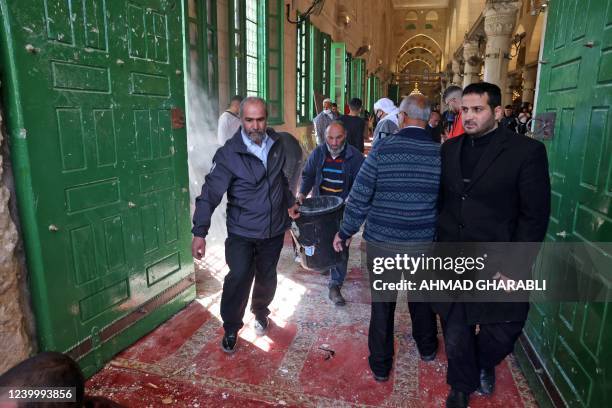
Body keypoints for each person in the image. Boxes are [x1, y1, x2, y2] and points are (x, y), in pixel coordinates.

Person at [435, 82, 550, 408]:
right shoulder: (450, 149)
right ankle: (460, 385)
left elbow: (534, 216)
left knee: (504, 330)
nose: (468, 116)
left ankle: (483, 363)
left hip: (500, 259)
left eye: (477, 109)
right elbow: (444, 202)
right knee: (456, 331)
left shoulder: (526, 152)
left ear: (497, 112)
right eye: (465, 109)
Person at [332, 95, 441, 382]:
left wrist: (345, 231)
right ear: (428, 118)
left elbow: (359, 197)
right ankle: (428, 348)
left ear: (402, 117)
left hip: (383, 244)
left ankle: (381, 365)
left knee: (383, 304)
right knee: (422, 300)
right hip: (422, 244)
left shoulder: (382, 150)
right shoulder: (438, 154)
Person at [192, 97, 300, 354]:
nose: (255, 126)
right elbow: (209, 194)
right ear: (241, 121)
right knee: (238, 277)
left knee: (267, 276)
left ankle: (260, 311)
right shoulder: (229, 154)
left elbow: (281, 181)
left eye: (260, 119)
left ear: (266, 119)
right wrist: (199, 233)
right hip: (242, 232)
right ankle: (231, 326)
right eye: (249, 120)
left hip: (273, 231)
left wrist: (289, 202)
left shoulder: (276, 145)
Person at [297, 121, 364, 305]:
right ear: (325, 137)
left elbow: (361, 185)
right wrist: (302, 193)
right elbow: (308, 174)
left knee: (340, 244)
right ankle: (326, 265)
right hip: (321, 206)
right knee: (322, 239)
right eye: (330, 138)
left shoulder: (356, 157)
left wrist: (351, 204)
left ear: (345, 136)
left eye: (338, 138)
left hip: (343, 208)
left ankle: (335, 284)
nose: (334, 143)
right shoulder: (318, 153)